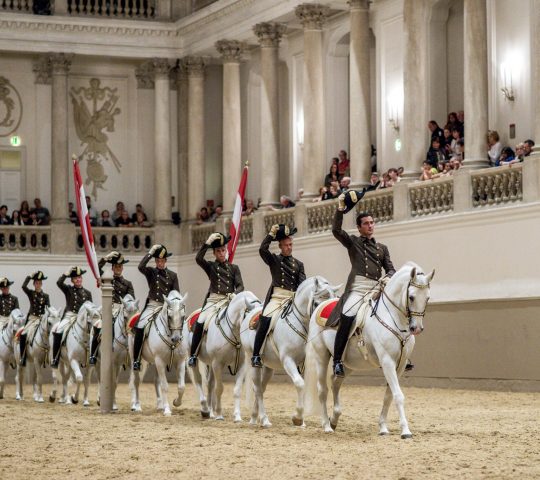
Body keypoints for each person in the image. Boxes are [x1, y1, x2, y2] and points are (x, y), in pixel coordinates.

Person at [330, 191, 396, 377]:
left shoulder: (382, 248)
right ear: (359, 228)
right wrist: (340, 210)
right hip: (358, 289)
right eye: (366, 223)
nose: (370, 226)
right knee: (349, 315)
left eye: (372, 222)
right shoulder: (353, 242)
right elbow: (336, 231)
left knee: (394, 313)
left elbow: (391, 269)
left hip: (377, 289)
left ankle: (398, 355)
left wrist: (388, 277)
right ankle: (337, 360)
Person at [251, 224, 306, 368]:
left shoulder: (299, 264)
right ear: (280, 246)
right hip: (277, 298)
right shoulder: (274, 260)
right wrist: (270, 234)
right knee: (266, 318)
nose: (289, 247)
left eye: (290, 244)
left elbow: (303, 284)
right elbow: (262, 249)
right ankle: (256, 354)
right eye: (286, 245)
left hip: (293, 298)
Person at [188, 232, 244, 367]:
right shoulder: (211, 266)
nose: (221, 253)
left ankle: (244, 350)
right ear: (214, 253)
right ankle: (193, 355)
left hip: (229, 301)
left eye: (223, 250)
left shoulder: (234, 268)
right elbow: (198, 258)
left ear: (226, 250)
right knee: (200, 321)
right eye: (218, 251)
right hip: (213, 301)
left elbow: (240, 286)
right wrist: (207, 243)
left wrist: (235, 294)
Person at [132, 244, 179, 371]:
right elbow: (140, 266)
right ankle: (136, 360)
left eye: (162, 261)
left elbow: (176, 294)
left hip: (166, 307)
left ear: (165, 261)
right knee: (141, 326)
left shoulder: (173, 275)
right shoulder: (151, 272)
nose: (160, 263)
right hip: (153, 306)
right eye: (157, 261)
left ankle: (178, 353)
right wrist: (150, 253)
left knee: (178, 323)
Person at [88, 251, 135, 365]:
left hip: (123, 310)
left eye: (120, 266)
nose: (118, 268)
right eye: (116, 266)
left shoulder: (128, 283)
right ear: (113, 268)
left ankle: (134, 356)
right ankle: (93, 354)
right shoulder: (107, 279)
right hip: (110, 309)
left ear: (122, 268)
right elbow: (97, 268)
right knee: (98, 327)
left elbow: (131, 298)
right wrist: (105, 258)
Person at [50, 267, 93, 368]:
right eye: (75, 278)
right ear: (72, 280)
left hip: (82, 318)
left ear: (81, 279)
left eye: (79, 277)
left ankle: (92, 356)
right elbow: (59, 283)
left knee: (93, 331)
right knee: (59, 330)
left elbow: (90, 307)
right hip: (70, 316)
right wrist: (65, 274)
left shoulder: (87, 293)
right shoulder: (68, 289)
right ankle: (55, 358)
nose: (78, 279)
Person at [19, 271, 50, 367]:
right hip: (32, 319)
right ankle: (23, 357)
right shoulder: (31, 293)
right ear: (34, 284)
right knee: (23, 334)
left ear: (41, 284)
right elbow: (23, 286)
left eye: (40, 283)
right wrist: (29, 276)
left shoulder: (46, 296)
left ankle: (50, 356)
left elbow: (48, 308)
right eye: (36, 283)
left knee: (49, 333)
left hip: (41, 319)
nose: (38, 285)